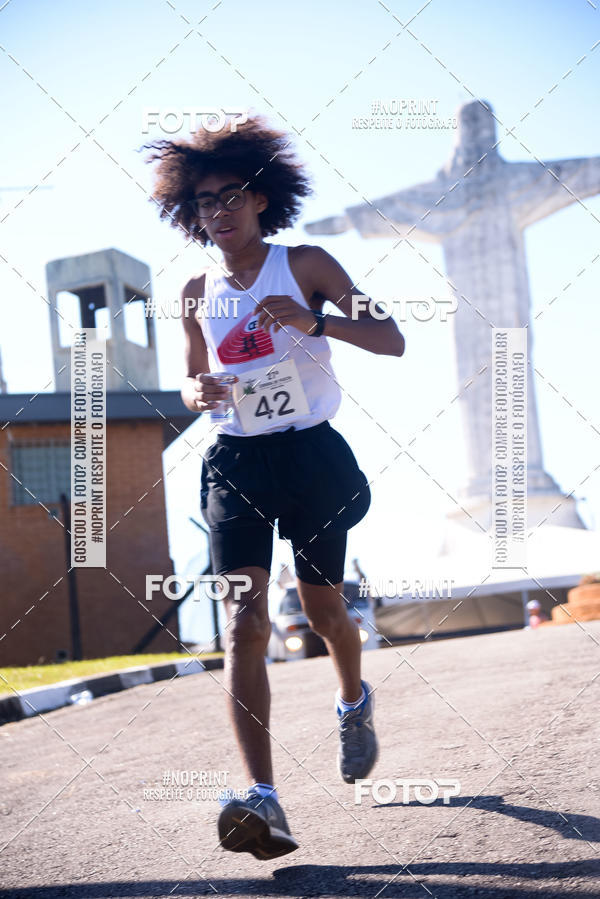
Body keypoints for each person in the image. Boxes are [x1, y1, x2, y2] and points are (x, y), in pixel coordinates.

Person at [145, 115, 405, 860]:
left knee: (324, 609)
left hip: (313, 457)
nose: (217, 212)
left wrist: (316, 319)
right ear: (189, 213)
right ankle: (264, 796)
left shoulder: (308, 263)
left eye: (231, 197)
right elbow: (196, 377)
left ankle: (353, 698)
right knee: (244, 621)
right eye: (203, 203)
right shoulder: (196, 289)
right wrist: (200, 393)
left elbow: (391, 338)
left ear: (261, 199)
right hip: (236, 461)